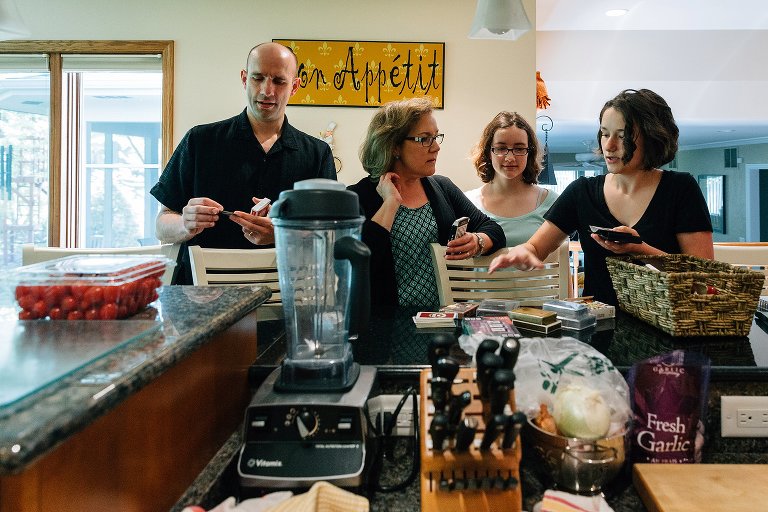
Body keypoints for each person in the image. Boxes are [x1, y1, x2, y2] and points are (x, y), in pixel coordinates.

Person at [489, 89, 714, 305]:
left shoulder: (681, 189)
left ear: (652, 137)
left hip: (665, 331)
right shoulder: (581, 192)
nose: (609, 145)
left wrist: (640, 249)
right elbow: (536, 248)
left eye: (622, 136)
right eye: (605, 134)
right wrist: (521, 252)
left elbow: (704, 278)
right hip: (598, 329)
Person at [150, 42, 336, 284]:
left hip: (286, 298)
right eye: (258, 78)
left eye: (279, 81)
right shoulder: (199, 140)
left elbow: (330, 237)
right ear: (244, 79)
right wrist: (185, 224)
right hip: (202, 300)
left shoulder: (317, 154)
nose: (267, 91)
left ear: (295, 87)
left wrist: (280, 235)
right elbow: (161, 225)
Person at [348, 98, 505, 311]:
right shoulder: (357, 197)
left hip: (445, 321)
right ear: (394, 146)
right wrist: (391, 203)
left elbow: (493, 229)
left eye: (436, 137)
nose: (436, 147)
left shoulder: (442, 187)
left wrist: (477, 241)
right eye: (425, 139)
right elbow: (356, 266)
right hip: (386, 327)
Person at [465, 111, 558, 247]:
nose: (510, 158)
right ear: (489, 153)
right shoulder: (468, 202)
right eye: (501, 148)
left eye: (519, 149)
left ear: (529, 153)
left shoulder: (552, 202)